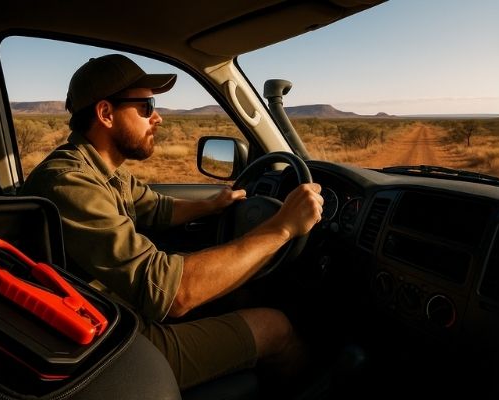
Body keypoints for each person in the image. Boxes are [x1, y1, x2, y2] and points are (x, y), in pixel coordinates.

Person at [19, 54, 324, 391]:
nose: (158, 117)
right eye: (146, 106)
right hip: (108, 345)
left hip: (113, 311)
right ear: (106, 113)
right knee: (275, 327)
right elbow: (170, 293)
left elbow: (156, 208)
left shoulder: (103, 170)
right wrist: (282, 228)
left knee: (242, 293)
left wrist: (212, 204)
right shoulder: (69, 182)